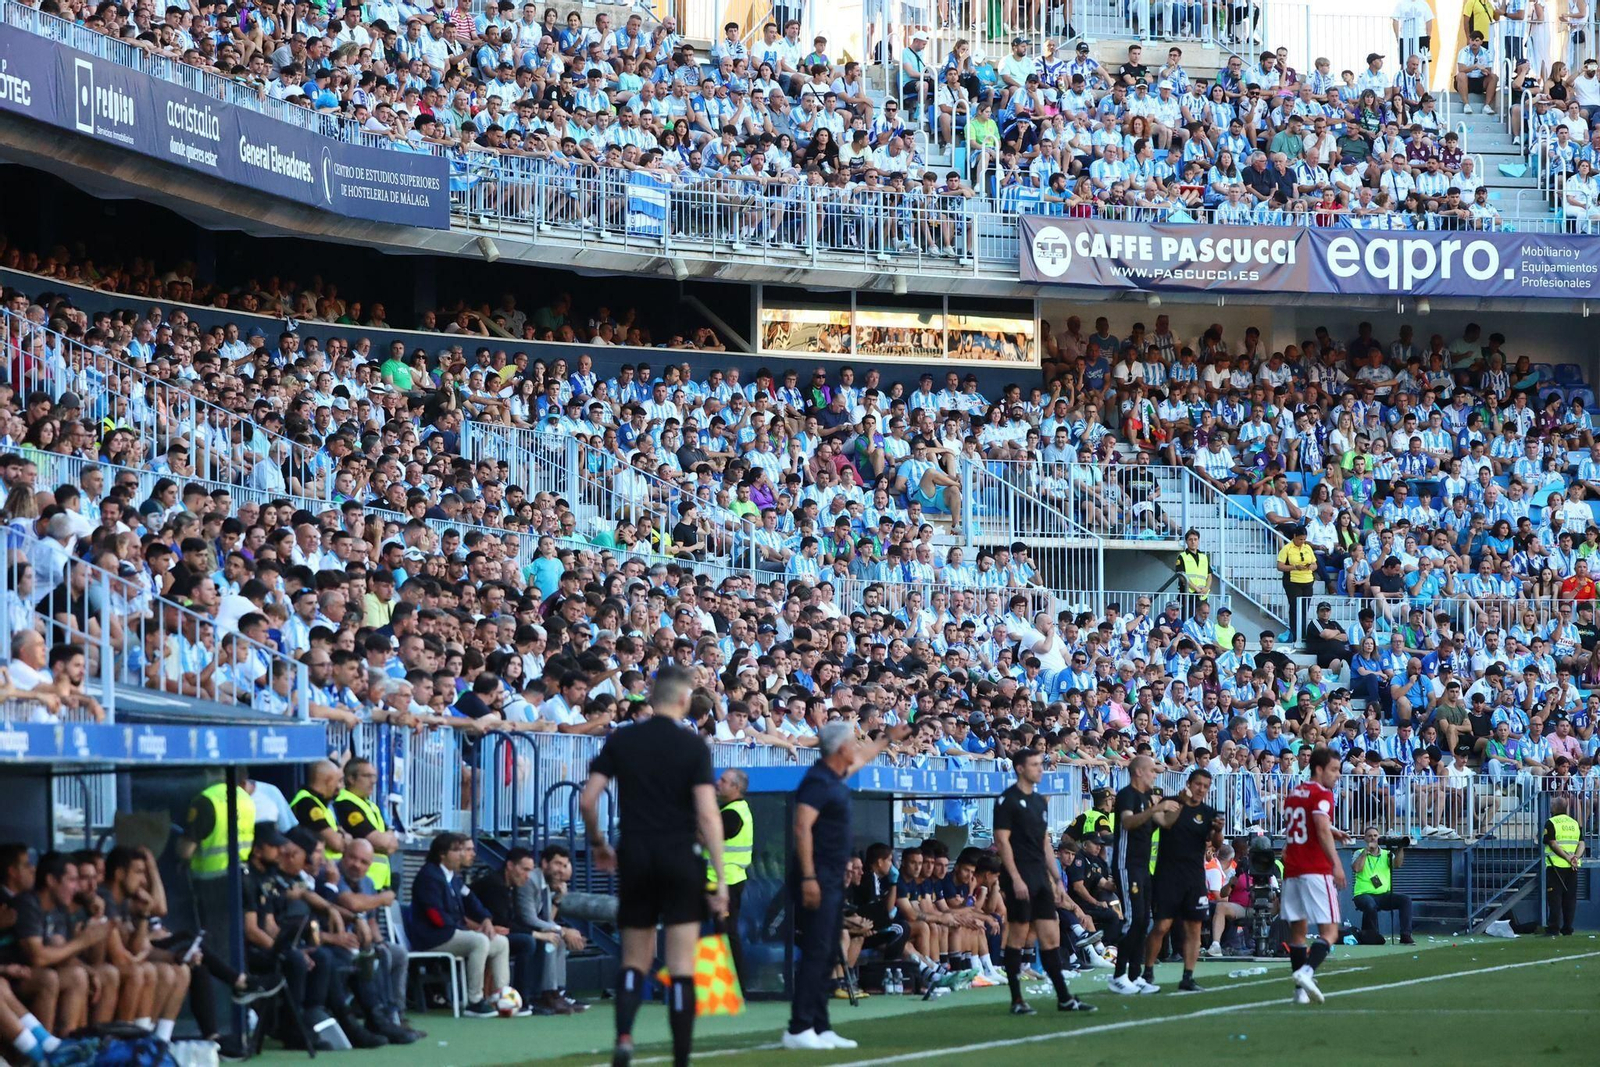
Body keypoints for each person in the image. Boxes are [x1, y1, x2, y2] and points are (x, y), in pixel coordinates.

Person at [580, 665, 726, 1067]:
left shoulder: (623, 740)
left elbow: (588, 800)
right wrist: (720, 877)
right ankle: (681, 1057)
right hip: (680, 856)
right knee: (681, 965)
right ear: (683, 699)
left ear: (651, 697)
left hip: (636, 854)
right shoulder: (693, 746)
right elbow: (708, 815)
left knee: (634, 958)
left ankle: (625, 1035)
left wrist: (599, 844)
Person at [785, 720, 909, 1050]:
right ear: (841, 748)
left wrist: (887, 738)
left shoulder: (836, 774)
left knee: (829, 951)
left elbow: (862, 757)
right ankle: (799, 1027)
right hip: (817, 876)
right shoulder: (818, 780)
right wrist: (809, 877)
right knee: (817, 950)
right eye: (853, 742)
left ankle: (820, 1025)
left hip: (831, 876)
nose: (857, 746)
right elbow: (801, 828)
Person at [994, 749, 1095, 1015]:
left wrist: (1057, 880)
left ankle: (1064, 998)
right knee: (1018, 935)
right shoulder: (1007, 800)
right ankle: (1016, 999)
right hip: (1020, 875)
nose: (1040, 769)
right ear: (1020, 768)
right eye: (1035, 765)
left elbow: (1044, 843)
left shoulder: (1039, 801)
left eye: (1041, 764)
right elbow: (1002, 841)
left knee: (1050, 935)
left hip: (1040, 876)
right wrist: (1015, 877)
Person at [408, 832, 514, 1018]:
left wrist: (486, 919)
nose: (462, 854)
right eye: (457, 850)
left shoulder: (454, 878)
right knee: (479, 941)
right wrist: (466, 929)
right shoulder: (429, 876)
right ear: (442, 854)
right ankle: (474, 1001)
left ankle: (502, 998)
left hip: (450, 934)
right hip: (433, 937)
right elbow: (435, 915)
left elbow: (471, 900)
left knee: (500, 942)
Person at [1281, 748, 1349, 1004]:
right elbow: (1320, 828)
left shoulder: (1294, 793)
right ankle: (1307, 972)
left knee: (1298, 932)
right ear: (1319, 769)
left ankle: (1299, 992)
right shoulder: (1323, 794)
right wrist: (1336, 864)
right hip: (1315, 869)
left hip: (1292, 870)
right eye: (1334, 769)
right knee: (1330, 932)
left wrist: (1332, 829)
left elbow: (1309, 823)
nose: (1338, 775)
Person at [1146, 768, 1223, 992]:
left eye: (1206, 786)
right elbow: (1165, 824)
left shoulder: (1207, 812)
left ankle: (1188, 977)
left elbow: (1216, 843)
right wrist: (1180, 802)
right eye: (1198, 784)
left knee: (1194, 928)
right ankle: (1147, 972)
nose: (1201, 789)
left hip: (1194, 877)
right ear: (1189, 783)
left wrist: (1219, 830)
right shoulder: (1171, 803)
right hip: (1168, 874)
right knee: (1162, 925)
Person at [1108, 755, 1170, 994]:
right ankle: (1118, 975)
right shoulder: (1127, 795)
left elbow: (1161, 824)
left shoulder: (1145, 798)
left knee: (1143, 920)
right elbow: (1127, 822)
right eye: (1151, 771)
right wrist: (1155, 808)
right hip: (1127, 865)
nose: (1154, 775)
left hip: (1142, 867)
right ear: (1139, 772)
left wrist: (1179, 804)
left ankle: (1135, 975)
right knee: (1133, 919)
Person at [711, 769, 753, 989]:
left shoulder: (732, 814)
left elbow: (706, 837)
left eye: (724, 780)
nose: (718, 783)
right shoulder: (733, 810)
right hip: (720, 881)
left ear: (736, 787)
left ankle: (735, 985)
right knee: (723, 932)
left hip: (726, 882)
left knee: (726, 932)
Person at [332, 758, 398, 891]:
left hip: (379, 883)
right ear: (351, 778)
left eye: (374, 776)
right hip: (359, 881)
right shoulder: (345, 803)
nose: (373, 781)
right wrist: (385, 842)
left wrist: (385, 841)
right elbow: (380, 841)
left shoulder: (371, 806)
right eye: (367, 776)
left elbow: (393, 844)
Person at [1350, 827, 1414, 944]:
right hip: (1362, 894)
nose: (1373, 838)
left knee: (1405, 900)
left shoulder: (1386, 854)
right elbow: (1357, 868)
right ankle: (1373, 936)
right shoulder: (1359, 852)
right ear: (1365, 839)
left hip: (1383, 895)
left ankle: (1406, 935)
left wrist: (1400, 848)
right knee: (1370, 904)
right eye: (1370, 836)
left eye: (1375, 835)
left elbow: (1397, 864)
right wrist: (1365, 852)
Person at [1543, 796, 1585, 936]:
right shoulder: (1574, 823)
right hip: (1573, 866)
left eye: (1552, 804)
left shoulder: (1551, 822)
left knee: (1555, 898)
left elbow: (1552, 843)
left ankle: (1553, 928)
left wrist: (1567, 857)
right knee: (1570, 899)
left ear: (1555, 807)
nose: (1550, 806)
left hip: (1555, 865)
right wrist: (1575, 857)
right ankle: (1567, 928)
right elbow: (1581, 843)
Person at [1276, 524, 1318, 642]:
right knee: (1295, 608)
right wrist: (1294, 567)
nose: (1302, 542)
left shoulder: (1307, 548)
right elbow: (1280, 566)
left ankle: (1303, 634)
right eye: (1300, 539)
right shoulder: (1287, 548)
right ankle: (1295, 634)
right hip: (1293, 581)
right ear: (1294, 536)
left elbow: (1315, 564)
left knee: (1304, 608)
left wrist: (1311, 567)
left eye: (1304, 539)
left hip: (1307, 581)